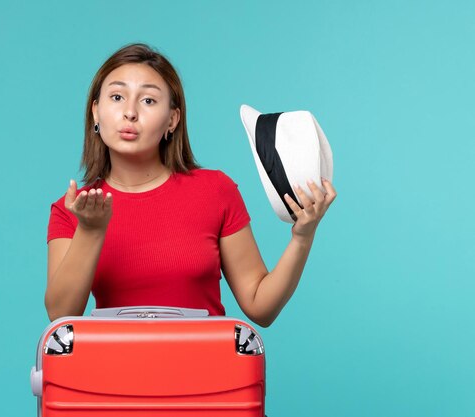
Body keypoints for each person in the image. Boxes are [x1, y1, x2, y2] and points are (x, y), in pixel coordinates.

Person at [45, 43, 336, 326]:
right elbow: (60, 315)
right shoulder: (72, 209)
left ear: (172, 119)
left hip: (208, 371)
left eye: (148, 100)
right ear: (96, 111)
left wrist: (302, 238)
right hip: (113, 372)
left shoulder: (215, 191)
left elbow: (261, 307)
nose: (130, 112)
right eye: (117, 97)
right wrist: (90, 230)